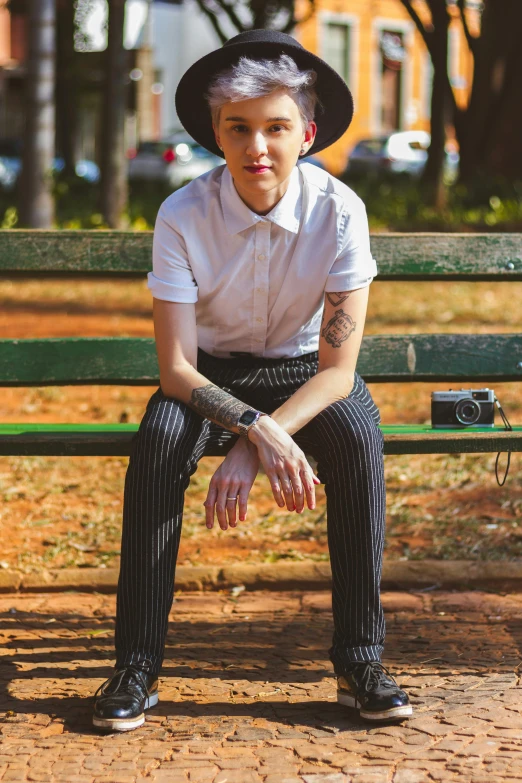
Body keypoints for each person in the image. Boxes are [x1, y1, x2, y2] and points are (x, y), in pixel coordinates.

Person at [92, 29, 412, 732]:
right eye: (239, 128)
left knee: (359, 434)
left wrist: (251, 445)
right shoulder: (182, 214)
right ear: (216, 132)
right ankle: (136, 666)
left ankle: (361, 657)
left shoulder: (340, 211)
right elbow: (176, 369)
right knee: (157, 444)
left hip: (309, 374)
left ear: (308, 133)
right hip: (207, 374)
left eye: (276, 127)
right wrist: (252, 426)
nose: (256, 147)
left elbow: (337, 372)